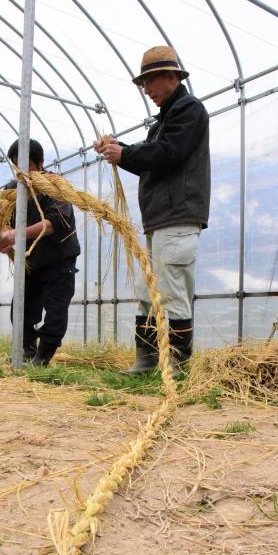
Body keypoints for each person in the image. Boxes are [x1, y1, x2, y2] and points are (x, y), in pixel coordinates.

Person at [94, 45, 210, 376]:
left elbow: (168, 153)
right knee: (148, 292)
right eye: (143, 84)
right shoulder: (164, 120)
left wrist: (125, 154)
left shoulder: (189, 111)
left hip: (178, 217)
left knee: (172, 292)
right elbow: (152, 155)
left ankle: (178, 367)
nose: (146, 90)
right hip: (160, 220)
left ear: (171, 77)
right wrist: (121, 150)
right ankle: (146, 363)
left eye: (150, 82)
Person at [0, 138, 80, 367]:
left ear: (40, 163)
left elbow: (53, 223)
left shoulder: (54, 184)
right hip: (31, 259)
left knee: (56, 311)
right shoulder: (12, 189)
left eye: (26, 164)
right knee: (22, 308)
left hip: (59, 258)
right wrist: (2, 236)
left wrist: (15, 235)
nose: (21, 170)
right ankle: (27, 350)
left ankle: (42, 358)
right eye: (16, 165)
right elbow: (3, 220)